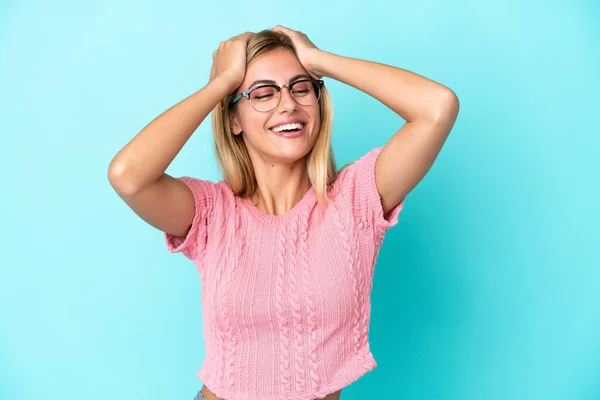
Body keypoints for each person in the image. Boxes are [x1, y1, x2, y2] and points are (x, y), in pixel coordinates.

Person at [108, 25, 459, 400]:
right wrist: (220, 85)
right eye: (263, 93)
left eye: (301, 87)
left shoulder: (355, 200)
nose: (288, 104)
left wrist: (319, 61)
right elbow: (128, 176)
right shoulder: (211, 213)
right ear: (234, 120)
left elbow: (437, 108)